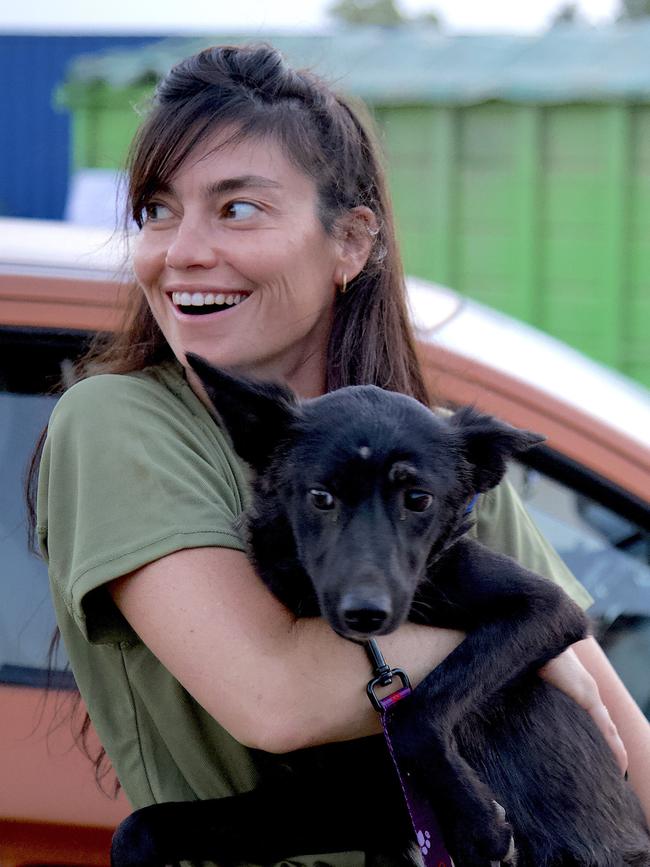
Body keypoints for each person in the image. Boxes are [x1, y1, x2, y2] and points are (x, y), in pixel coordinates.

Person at [34, 43, 650, 866]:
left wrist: (537, 641)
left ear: (352, 241)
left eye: (237, 209)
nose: (180, 251)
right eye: (155, 210)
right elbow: (276, 697)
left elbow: (619, 742)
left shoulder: (436, 456)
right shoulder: (121, 420)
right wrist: (513, 650)